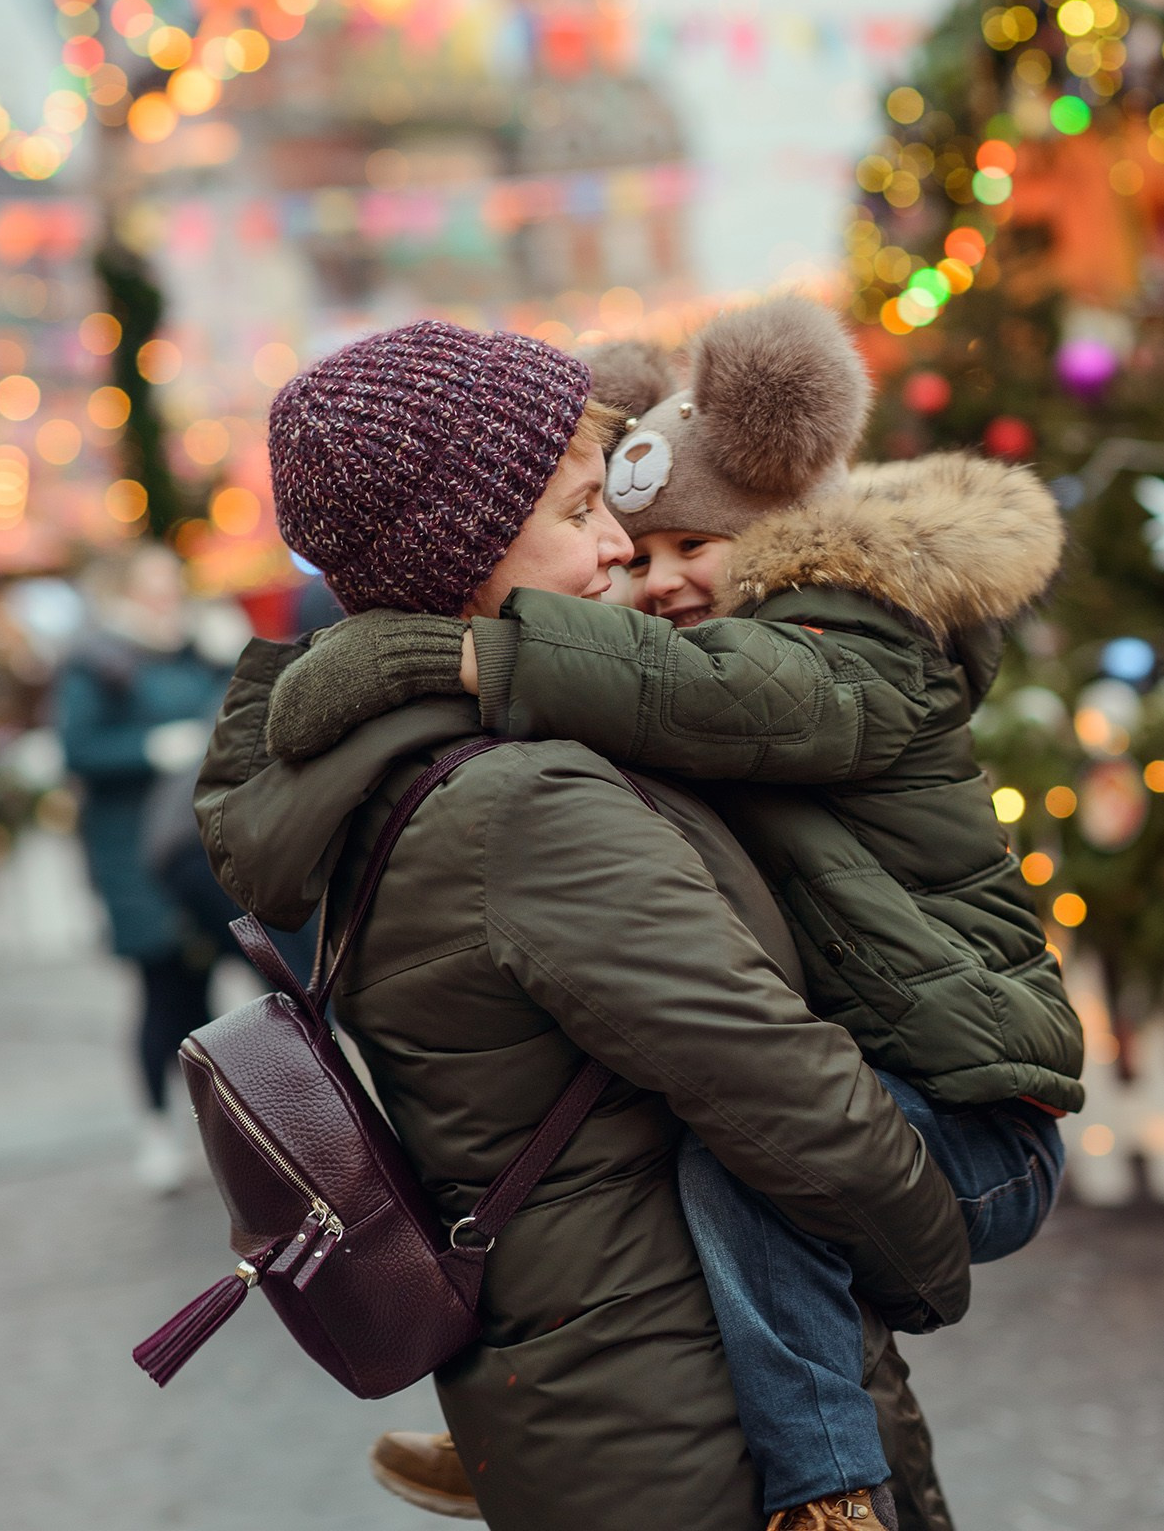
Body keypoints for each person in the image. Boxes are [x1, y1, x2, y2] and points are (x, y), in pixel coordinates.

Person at [268, 299, 1084, 1530]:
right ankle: (833, 1490)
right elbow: (774, 1095)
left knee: (740, 1170)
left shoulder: (832, 645)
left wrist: (461, 659)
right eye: (602, 527)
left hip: (972, 1099)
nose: (643, 578)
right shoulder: (533, 799)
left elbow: (719, 700)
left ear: (781, 529)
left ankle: (824, 1480)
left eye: (683, 541)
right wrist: (905, 1246)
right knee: (746, 1162)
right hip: (673, 1375)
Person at [57, 544, 248, 1191]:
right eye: (154, 583)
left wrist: (231, 653)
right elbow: (77, 748)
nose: (168, 594)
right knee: (166, 992)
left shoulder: (197, 648)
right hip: (135, 853)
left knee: (250, 984)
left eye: (173, 581)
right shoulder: (97, 662)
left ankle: (248, 1131)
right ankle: (159, 1129)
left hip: (205, 846)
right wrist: (148, 749)